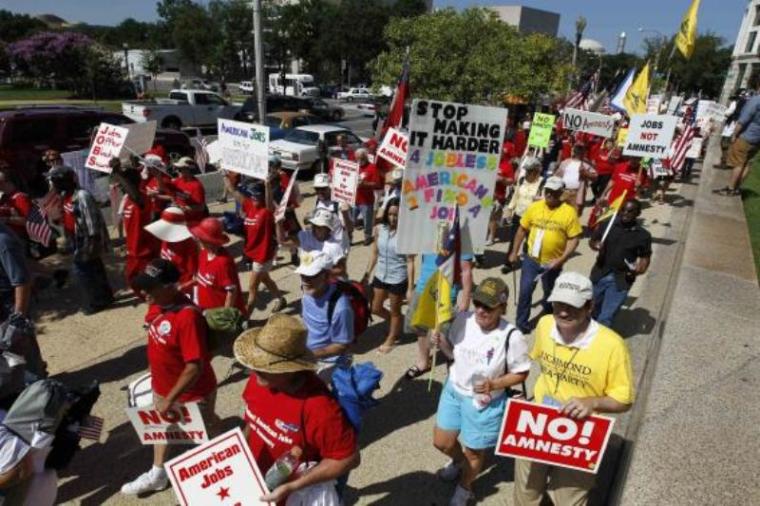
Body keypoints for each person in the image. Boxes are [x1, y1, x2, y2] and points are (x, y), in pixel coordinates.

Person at [513, 272, 634, 506]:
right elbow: (541, 369)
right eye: (559, 304)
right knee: (525, 493)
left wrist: (593, 402)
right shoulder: (545, 324)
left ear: (590, 306)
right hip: (537, 423)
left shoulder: (612, 345)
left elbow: (624, 400)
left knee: (569, 500)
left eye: (573, 306)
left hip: (581, 431)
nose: (564, 312)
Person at [234, 314, 359, 504]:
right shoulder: (259, 381)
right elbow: (252, 422)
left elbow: (348, 458)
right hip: (254, 481)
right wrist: (235, 452)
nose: (254, 371)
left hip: (290, 496)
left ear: (290, 369)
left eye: (263, 366)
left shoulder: (318, 407)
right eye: (255, 364)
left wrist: (293, 486)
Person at [121, 259, 219, 496]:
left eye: (149, 287)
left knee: (204, 439)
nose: (143, 292)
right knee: (160, 428)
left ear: (169, 287)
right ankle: (158, 474)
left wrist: (170, 398)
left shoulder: (187, 318)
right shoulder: (158, 305)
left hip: (190, 394)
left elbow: (195, 366)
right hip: (163, 387)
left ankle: (215, 482)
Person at [431, 278, 530, 506]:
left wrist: (494, 385)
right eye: (478, 303)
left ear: (502, 307)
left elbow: (522, 372)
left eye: (488, 306)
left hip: (483, 402)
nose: (481, 310)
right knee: (442, 442)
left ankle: (465, 487)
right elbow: (453, 354)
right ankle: (458, 463)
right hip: (454, 389)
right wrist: (441, 342)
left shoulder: (511, 336)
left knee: (474, 452)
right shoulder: (464, 320)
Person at [508, 176, 582, 333]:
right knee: (525, 291)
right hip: (531, 259)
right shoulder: (534, 207)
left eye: (554, 192)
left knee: (550, 291)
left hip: (553, 263)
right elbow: (521, 230)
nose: (550, 195)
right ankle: (521, 324)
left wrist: (561, 259)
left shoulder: (569, 213)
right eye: (548, 191)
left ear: (561, 193)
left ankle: (548, 313)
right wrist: (514, 252)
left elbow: (574, 239)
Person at [50, 169, 113, 315]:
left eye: (56, 183)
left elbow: (92, 221)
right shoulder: (66, 196)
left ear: (65, 182)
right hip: (75, 238)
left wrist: (91, 244)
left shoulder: (82, 196)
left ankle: (95, 302)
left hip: (86, 239)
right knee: (95, 268)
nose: (54, 186)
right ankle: (105, 297)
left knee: (81, 271)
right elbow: (70, 216)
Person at [404, 251, 474, 380]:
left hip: (446, 291)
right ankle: (423, 362)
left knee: (444, 334)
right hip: (423, 288)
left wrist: (465, 300)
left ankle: (453, 361)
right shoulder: (426, 231)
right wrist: (410, 287)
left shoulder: (462, 233)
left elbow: (466, 270)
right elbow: (411, 256)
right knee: (421, 328)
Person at [362, 199, 414, 353]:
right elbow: (374, 253)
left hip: (398, 277)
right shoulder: (379, 229)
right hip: (380, 275)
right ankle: (397, 324)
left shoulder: (406, 235)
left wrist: (410, 288)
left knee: (395, 310)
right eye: (390, 214)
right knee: (375, 308)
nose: (393, 218)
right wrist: (367, 274)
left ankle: (392, 338)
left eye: (396, 215)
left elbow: (410, 261)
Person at [589, 199, 651, 328]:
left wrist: (641, 268)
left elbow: (645, 256)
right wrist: (595, 245)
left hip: (621, 280)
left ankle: (599, 344)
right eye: (623, 210)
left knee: (605, 318)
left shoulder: (643, 235)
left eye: (630, 211)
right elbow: (592, 240)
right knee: (590, 311)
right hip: (600, 274)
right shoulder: (607, 224)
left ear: (638, 213)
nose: (625, 213)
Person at [232, 178, 287, 317]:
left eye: (257, 195)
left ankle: (246, 318)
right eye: (252, 195)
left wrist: (268, 185)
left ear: (262, 196)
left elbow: (269, 202)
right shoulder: (250, 205)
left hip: (263, 256)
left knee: (252, 288)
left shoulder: (267, 212)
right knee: (265, 279)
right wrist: (225, 175)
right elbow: (234, 193)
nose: (254, 197)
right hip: (253, 253)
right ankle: (280, 299)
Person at [296, 251, 353, 383]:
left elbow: (341, 346)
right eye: (303, 275)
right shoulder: (307, 291)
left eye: (312, 275)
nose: (306, 280)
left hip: (330, 362)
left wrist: (309, 355)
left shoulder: (341, 308)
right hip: (308, 355)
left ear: (326, 275)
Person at [109, 159, 160, 297]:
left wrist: (117, 172)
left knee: (148, 283)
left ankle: (156, 302)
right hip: (133, 251)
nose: (120, 186)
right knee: (132, 280)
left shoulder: (142, 198)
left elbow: (135, 194)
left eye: (123, 183)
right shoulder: (127, 199)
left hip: (144, 252)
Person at [190, 217, 246, 315]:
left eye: (201, 237)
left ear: (210, 241)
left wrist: (225, 316)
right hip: (205, 310)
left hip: (217, 316)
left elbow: (232, 291)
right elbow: (201, 278)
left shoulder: (223, 262)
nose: (198, 239)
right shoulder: (203, 253)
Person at [277, 208, 348, 279]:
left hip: (326, 286)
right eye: (313, 225)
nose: (314, 228)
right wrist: (279, 223)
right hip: (308, 283)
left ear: (327, 229)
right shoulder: (306, 236)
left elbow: (342, 271)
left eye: (318, 226)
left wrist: (316, 274)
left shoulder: (335, 246)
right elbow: (283, 242)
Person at [716, 89, 760, 195]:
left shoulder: (755, 100)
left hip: (746, 136)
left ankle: (730, 188)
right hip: (758, 139)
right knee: (747, 164)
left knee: (738, 163)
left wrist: (734, 134)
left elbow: (743, 119)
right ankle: (736, 188)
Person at [144, 206, 198, 294]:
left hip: (181, 288)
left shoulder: (188, 244)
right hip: (167, 283)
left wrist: (182, 288)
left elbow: (193, 274)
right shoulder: (166, 237)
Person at [503, 157, 544, 256]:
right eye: (526, 171)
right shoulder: (522, 180)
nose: (526, 173)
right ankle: (509, 262)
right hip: (519, 215)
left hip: (533, 217)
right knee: (514, 239)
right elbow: (516, 195)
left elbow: (546, 199)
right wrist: (509, 208)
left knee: (530, 240)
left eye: (529, 171)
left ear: (536, 171)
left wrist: (540, 199)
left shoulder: (542, 182)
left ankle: (527, 260)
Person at [311, 173, 352, 252]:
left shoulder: (339, 202)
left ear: (329, 187)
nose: (319, 192)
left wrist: (345, 213)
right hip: (323, 246)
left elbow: (349, 228)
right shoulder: (317, 200)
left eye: (323, 188)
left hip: (338, 247)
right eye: (317, 189)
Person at [0, 222, 31, 322]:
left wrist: (17, 322)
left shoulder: (4, 242)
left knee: (12, 336)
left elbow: (22, 282)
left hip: (7, 305)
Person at [553, 144, 597, 213]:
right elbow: (557, 176)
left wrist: (586, 173)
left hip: (576, 194)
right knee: (559, 212)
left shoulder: (586, 165)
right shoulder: (566, 162)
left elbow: (595, 177)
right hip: (563, 192)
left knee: (574, 214)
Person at [487, 145, 516, 246]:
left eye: (499, 153)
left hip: (497, 196)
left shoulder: (507, 165)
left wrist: (502, 179)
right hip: (483, 194)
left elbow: (511, 181)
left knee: (493, 218)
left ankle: (491, 237)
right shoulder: (486, 160)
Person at [353, 148, 382, 246]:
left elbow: (377, 184)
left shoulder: (372, 167)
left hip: (367, 201)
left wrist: (365, 184)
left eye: (361, 158)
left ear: (365, 157)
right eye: (357, 159)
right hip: (354, 200)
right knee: (351, 220)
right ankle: (348, 238)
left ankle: (367, 237)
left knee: (367, 221)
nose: (359, 161)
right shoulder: (354, 167)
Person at [0, 172, 32, 242]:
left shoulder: (20, 197)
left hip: (18, 239)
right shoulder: (4, 198)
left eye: (0, 182)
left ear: (9, 182)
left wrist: (5, 219)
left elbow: (28, 221)